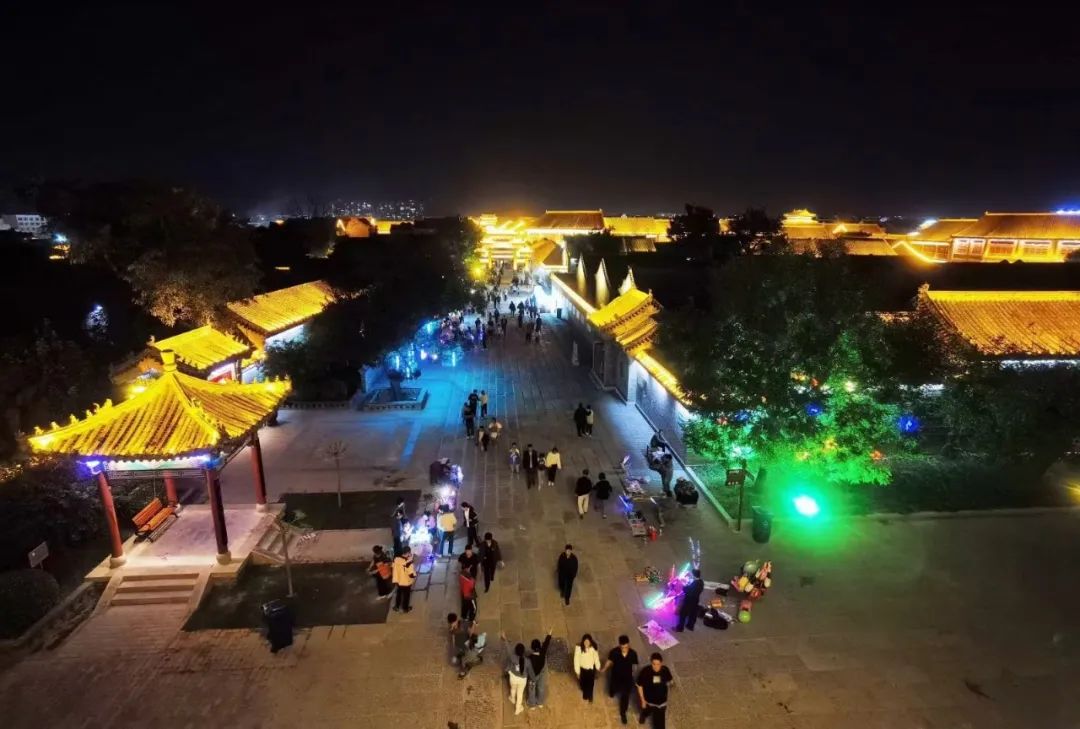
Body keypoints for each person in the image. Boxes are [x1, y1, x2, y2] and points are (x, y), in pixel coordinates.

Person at [601, 635, 640, 724]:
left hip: (627, 679)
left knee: (625, 696)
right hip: (616, 676)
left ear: (628, 645)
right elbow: (609, 661)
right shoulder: (614, 652)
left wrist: (633, 674)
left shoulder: (633, 653)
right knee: (613, 688)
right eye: (622, 647)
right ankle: (612, 693)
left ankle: (623, 713)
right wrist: (604, 668)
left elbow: (635, 665)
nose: (624, 649)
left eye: (626, 647)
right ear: (619, 645)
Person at [636, 652, 674, 728]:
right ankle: (644, 715)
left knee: (660, 723)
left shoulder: (665, 670)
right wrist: (643, 700)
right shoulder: (645, 671)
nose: (656, 666)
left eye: (658, 664)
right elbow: (639, 686)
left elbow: (670, 680)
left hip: (662, 702)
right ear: (651, 663)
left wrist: (670, 683)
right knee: (647, 710)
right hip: (649, 701)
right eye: (654, 664)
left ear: (661, 663)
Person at [501, 632, 529, 715]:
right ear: (523, 652)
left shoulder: (512, 657)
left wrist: (505, 638)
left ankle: (512, 699)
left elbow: (508, 648)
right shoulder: (527, 661)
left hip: (513, 677)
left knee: (513, 689)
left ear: (515, 651)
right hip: (522, 680)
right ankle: (518, 709)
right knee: (520, 694)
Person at [525, 628, 554, 708]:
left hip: (533, 676)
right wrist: (549, 634)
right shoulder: (542, 653)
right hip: (541, 673)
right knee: (541, 687)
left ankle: (532, 704)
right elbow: (546, 644)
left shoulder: (530, 658)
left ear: (532, 648)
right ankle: (540, 702)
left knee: (531, 689)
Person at [447, 612, 479, 679]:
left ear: (456, 620)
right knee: (454, 661)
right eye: (450, 623)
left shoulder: (463, 624)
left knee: (464, 659)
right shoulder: (452, 628)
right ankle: (463, 660)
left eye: (453, 622)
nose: (452, 624)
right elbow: (453, 637)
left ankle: (464, 671)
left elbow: (471, 633)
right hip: (460, 645)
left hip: (467, 643)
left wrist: (474, 624)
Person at [574, 634, 602, 702]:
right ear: (583, 641)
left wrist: (598, 666)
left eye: (588, 642)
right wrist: (577, 672)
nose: (586, 643)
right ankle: (585, 693)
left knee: (591, 684)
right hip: (583, 670)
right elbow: (576, 660)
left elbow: (596, 658)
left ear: (590, 642)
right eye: (585, 642)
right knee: (583, 682)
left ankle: (590, 696)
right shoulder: (579, 648)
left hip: (591, 670)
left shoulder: (593, 648)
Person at [391, 546, 417, 613]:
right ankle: (405, 608)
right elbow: (411, 575)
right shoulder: (408, 563)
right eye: (410, 553)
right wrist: (415, 574)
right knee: (406, 596)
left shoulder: (396, 559)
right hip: (406, 582)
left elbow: (393, 566)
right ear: (408, 553)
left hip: (398, 581)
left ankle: (396, 607)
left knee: (399, 594)